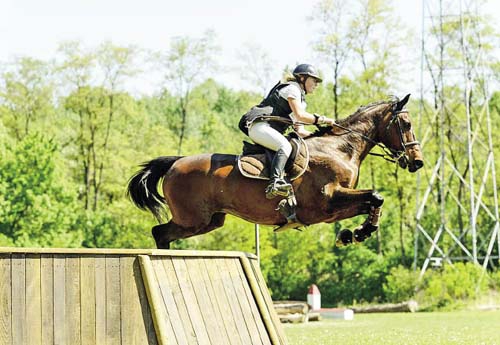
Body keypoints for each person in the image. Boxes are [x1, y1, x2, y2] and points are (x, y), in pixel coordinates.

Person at [239, 63, 336, 199]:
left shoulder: (301, 100)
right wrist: (323, 120)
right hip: (260, 127)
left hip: (268, 129)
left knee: (291, 145)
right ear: (302, 78)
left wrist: (324, 137)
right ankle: (275, 182)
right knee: (285, 145)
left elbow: (300, 131)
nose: (316, 84)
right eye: (314, 80)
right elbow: (300, 116)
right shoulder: (292, 89)